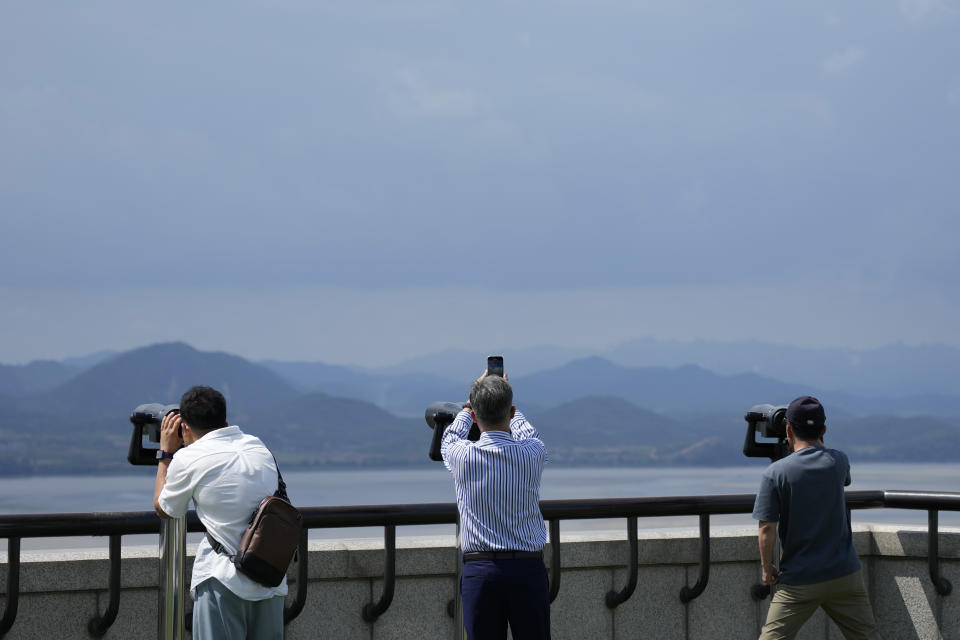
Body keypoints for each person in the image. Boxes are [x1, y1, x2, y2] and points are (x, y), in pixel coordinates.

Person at [153, 385, 286, 639]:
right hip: (270, 578)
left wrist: (167, 454)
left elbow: (164, 507)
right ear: (225, 421)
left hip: (223, 580)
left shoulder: (189, 457)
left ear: (185, 428)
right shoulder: (257, 446)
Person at [752, 396, 878, 640]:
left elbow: (767, 526)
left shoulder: (775, 473)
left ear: (788, 429)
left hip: (800, 579)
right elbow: (842, 479)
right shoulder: (839, 461)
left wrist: (767, 569)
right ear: (824, 430)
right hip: (845, 574)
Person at [441, 371, 551, 640]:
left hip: (480, 572)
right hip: (528, 569)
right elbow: (529, 434)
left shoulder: (463, 455)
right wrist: (504, 394)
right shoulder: (532, 454)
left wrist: (470, 404)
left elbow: (449, 437)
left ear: (476, 417)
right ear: (512, 412)